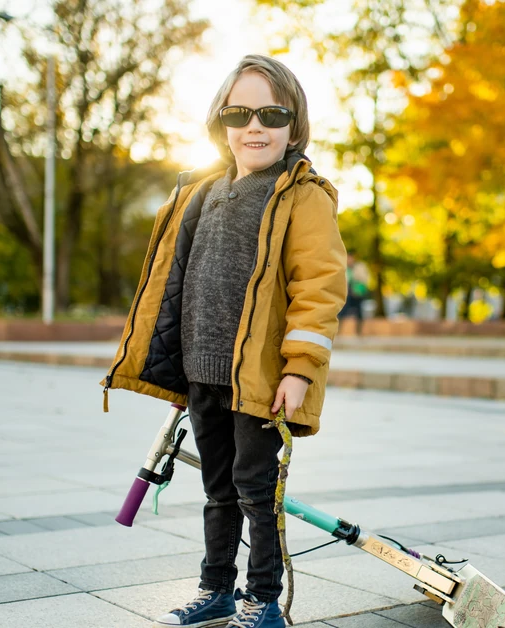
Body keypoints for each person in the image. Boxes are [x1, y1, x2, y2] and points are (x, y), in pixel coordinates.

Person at [101, 54, 347, 628]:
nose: (254, 125)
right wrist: (172, 368)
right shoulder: (200, 191)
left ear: (294, 124)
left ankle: (262, 601)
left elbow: (319, 286)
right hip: (202, 372)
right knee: (217, 490)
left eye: (271, 112)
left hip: (259, 378)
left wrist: (300, 368)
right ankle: (216, 588)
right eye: (240, 112)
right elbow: (174, 283)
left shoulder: (302, 196)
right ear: (221, 122)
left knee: (255, 492)